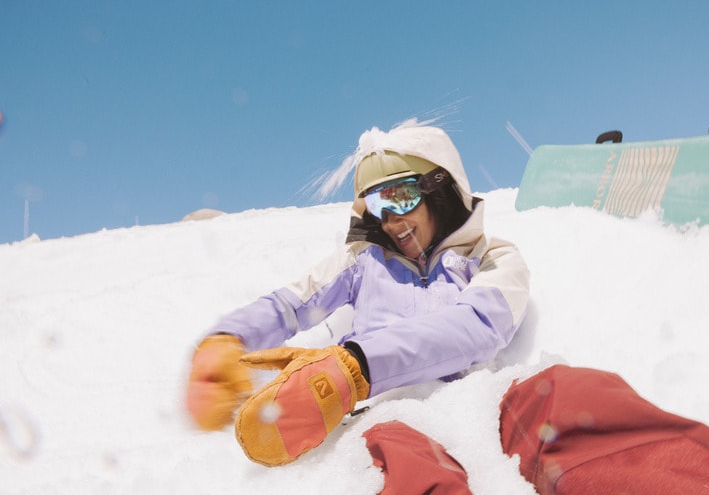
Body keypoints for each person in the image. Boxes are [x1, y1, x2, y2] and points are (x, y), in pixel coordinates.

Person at [185, 121, 531, 466]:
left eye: (401, 198)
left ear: (438, 191)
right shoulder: (364, 262)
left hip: (473, 410)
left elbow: (480, 324)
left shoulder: (492, 257)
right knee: (411, 467)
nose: (390, 221)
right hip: (389, 419)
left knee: (555, 393)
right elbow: (292, 304)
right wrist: (229, 338)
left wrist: (359, 364)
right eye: (378, 206)